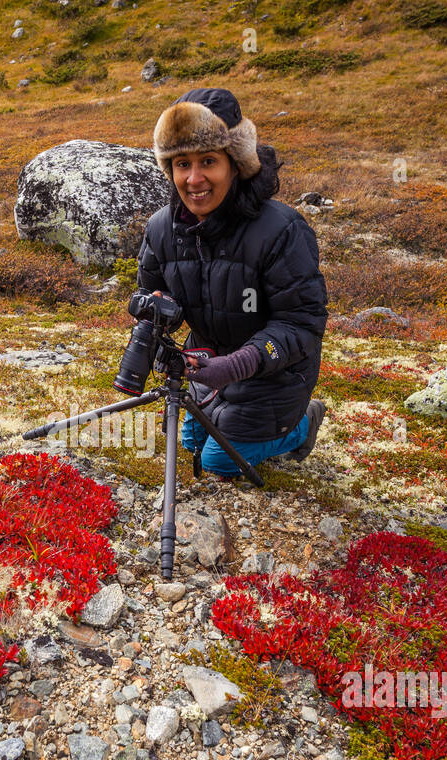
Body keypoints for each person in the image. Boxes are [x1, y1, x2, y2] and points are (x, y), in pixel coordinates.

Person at [136, 87, 328, 480]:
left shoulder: (281, 229)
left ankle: (303, 425)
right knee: (190, 443)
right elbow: (150, 290)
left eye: (209, 161)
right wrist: (155, 313)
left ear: (236, 164)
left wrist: (239, 364)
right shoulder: (161, 228)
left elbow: (302, 324)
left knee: (218, 462)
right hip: (205, 364)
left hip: (276, 373)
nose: (194, 179)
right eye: (181, 164)